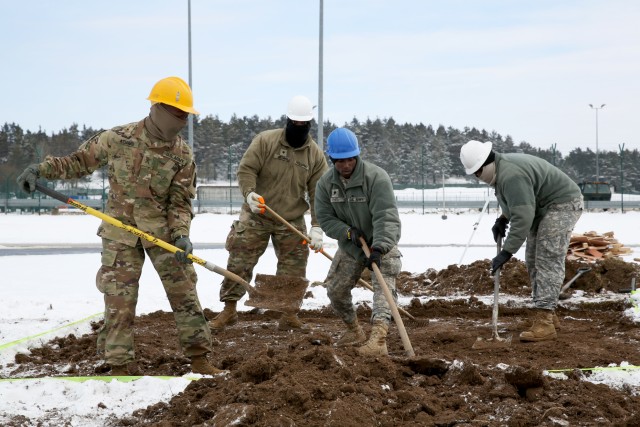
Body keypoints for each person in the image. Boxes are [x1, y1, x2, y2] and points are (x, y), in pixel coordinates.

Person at [16, 77, 221, 375]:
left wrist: (181, 235)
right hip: (119, 231)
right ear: (159, 108)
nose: (183, 119)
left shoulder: (182, 155)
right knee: (119, 300)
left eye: (186, 114)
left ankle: (200, 358)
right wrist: (40, 169)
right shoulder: (118, 138)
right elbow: (78, 162)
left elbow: (180, 202)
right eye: (178, 113)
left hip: (162, 234)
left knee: (185, 293)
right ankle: (121, 363)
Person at [210, 95, 329, 331]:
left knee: (294, 268)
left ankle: (288, 315)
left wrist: (317, 226)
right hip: (257, 215)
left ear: (309, 125)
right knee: (240, 260)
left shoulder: (314, 155)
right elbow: (247, 169)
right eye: (294, 123)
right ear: (287, 120)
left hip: (290, 220)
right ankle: (229, 310)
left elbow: (319, 193)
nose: (298, 128)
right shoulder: (265, 141)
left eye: (302, 125)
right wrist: (249, 194)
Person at [459, 140, 583, 342]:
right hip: (542, 206)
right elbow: (517, 203)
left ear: (485, 165)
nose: (477, 178)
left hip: (562, 204)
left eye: (477, 173)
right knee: (533, 258)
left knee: (547, 258)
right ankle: (547, 313)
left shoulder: (511, 175)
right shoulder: (501, 172)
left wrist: (507, 251)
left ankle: (545, 321)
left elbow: (524, 216)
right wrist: (502, 218)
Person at [314, 127, 402, 356]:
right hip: (352, 246)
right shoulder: (325, 184)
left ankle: (379, 340)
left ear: (357, 156)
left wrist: (380, 247)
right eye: (340, 161)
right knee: (335, 289)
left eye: (350, 159)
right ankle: (354, 330)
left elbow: (387, 217)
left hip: (381, 243)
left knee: (383, 290)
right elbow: (325, 218)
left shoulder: (376, 178)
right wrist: (346, 232)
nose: (345, 165)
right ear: (332, 159)